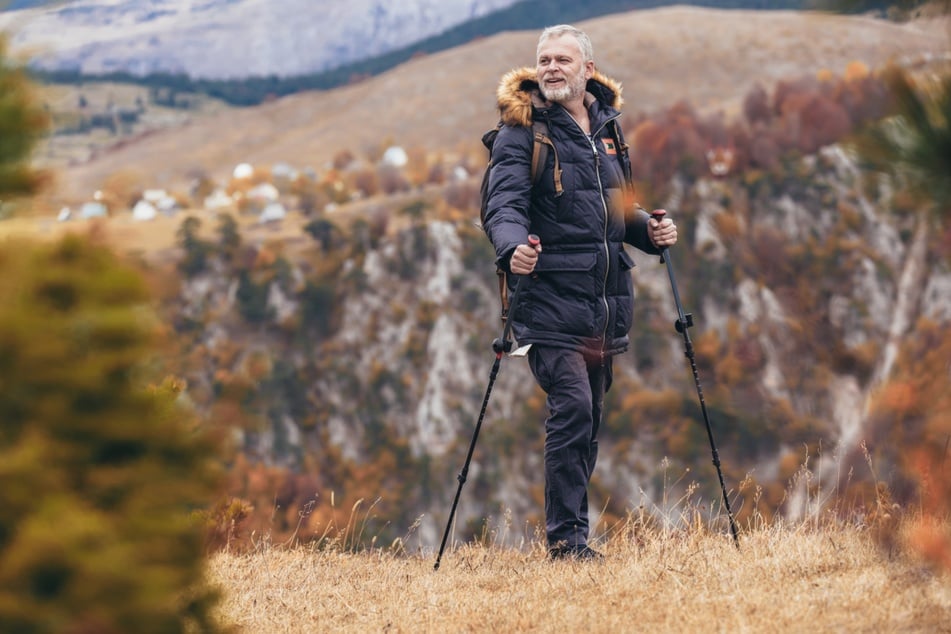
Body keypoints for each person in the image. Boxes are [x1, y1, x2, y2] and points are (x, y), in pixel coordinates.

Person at [482, 24, 678, 560]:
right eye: (543, 59)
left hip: (604, 305)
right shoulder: (522, 131)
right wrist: (511, 247)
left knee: (588, 418)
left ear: (587, 70)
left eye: (562, 59)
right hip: (547, 301)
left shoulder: (608, 130)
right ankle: (566, 543)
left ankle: (574, 536)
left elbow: (616, 210)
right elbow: (502, 206)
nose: (551, 68)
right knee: (572, 408)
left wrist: (650, 232)